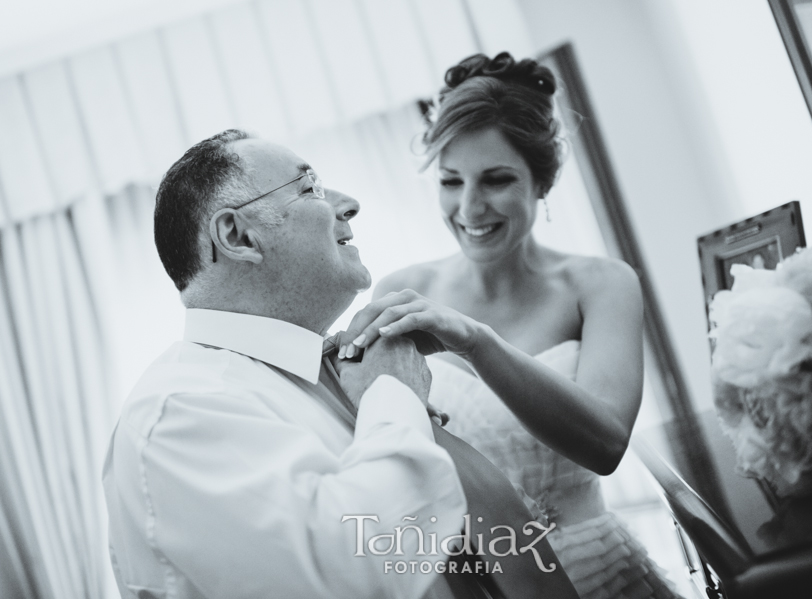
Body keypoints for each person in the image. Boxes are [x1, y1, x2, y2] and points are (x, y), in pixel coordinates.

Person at [102, 129, 579, 599]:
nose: (348, 203)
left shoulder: (345, 370)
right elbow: (355, 570)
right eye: (309, 188)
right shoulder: (180, 412)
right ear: (238, 235)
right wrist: (394, 397)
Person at [337, 53, 681, 599]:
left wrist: (475, 342)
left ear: (541, 182)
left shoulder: (602, 285)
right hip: (482, 581)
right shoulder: (402, 289)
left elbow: (607, 445)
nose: (470, 207)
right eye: (451, 181)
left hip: (601, 573)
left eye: (496, 180)